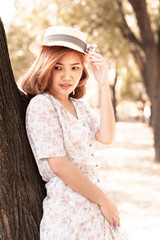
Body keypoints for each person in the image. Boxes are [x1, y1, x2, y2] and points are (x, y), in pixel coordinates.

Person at [22, 26, 130, 240]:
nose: (67, 76)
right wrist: (103, 201)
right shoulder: (42, 105)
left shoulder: (80, 106)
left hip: (94, 202)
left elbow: (106, 137)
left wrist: (103, 85)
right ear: (46, 67)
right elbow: (59, 165)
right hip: (69, 207)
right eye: (58, 67)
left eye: (75, 68)